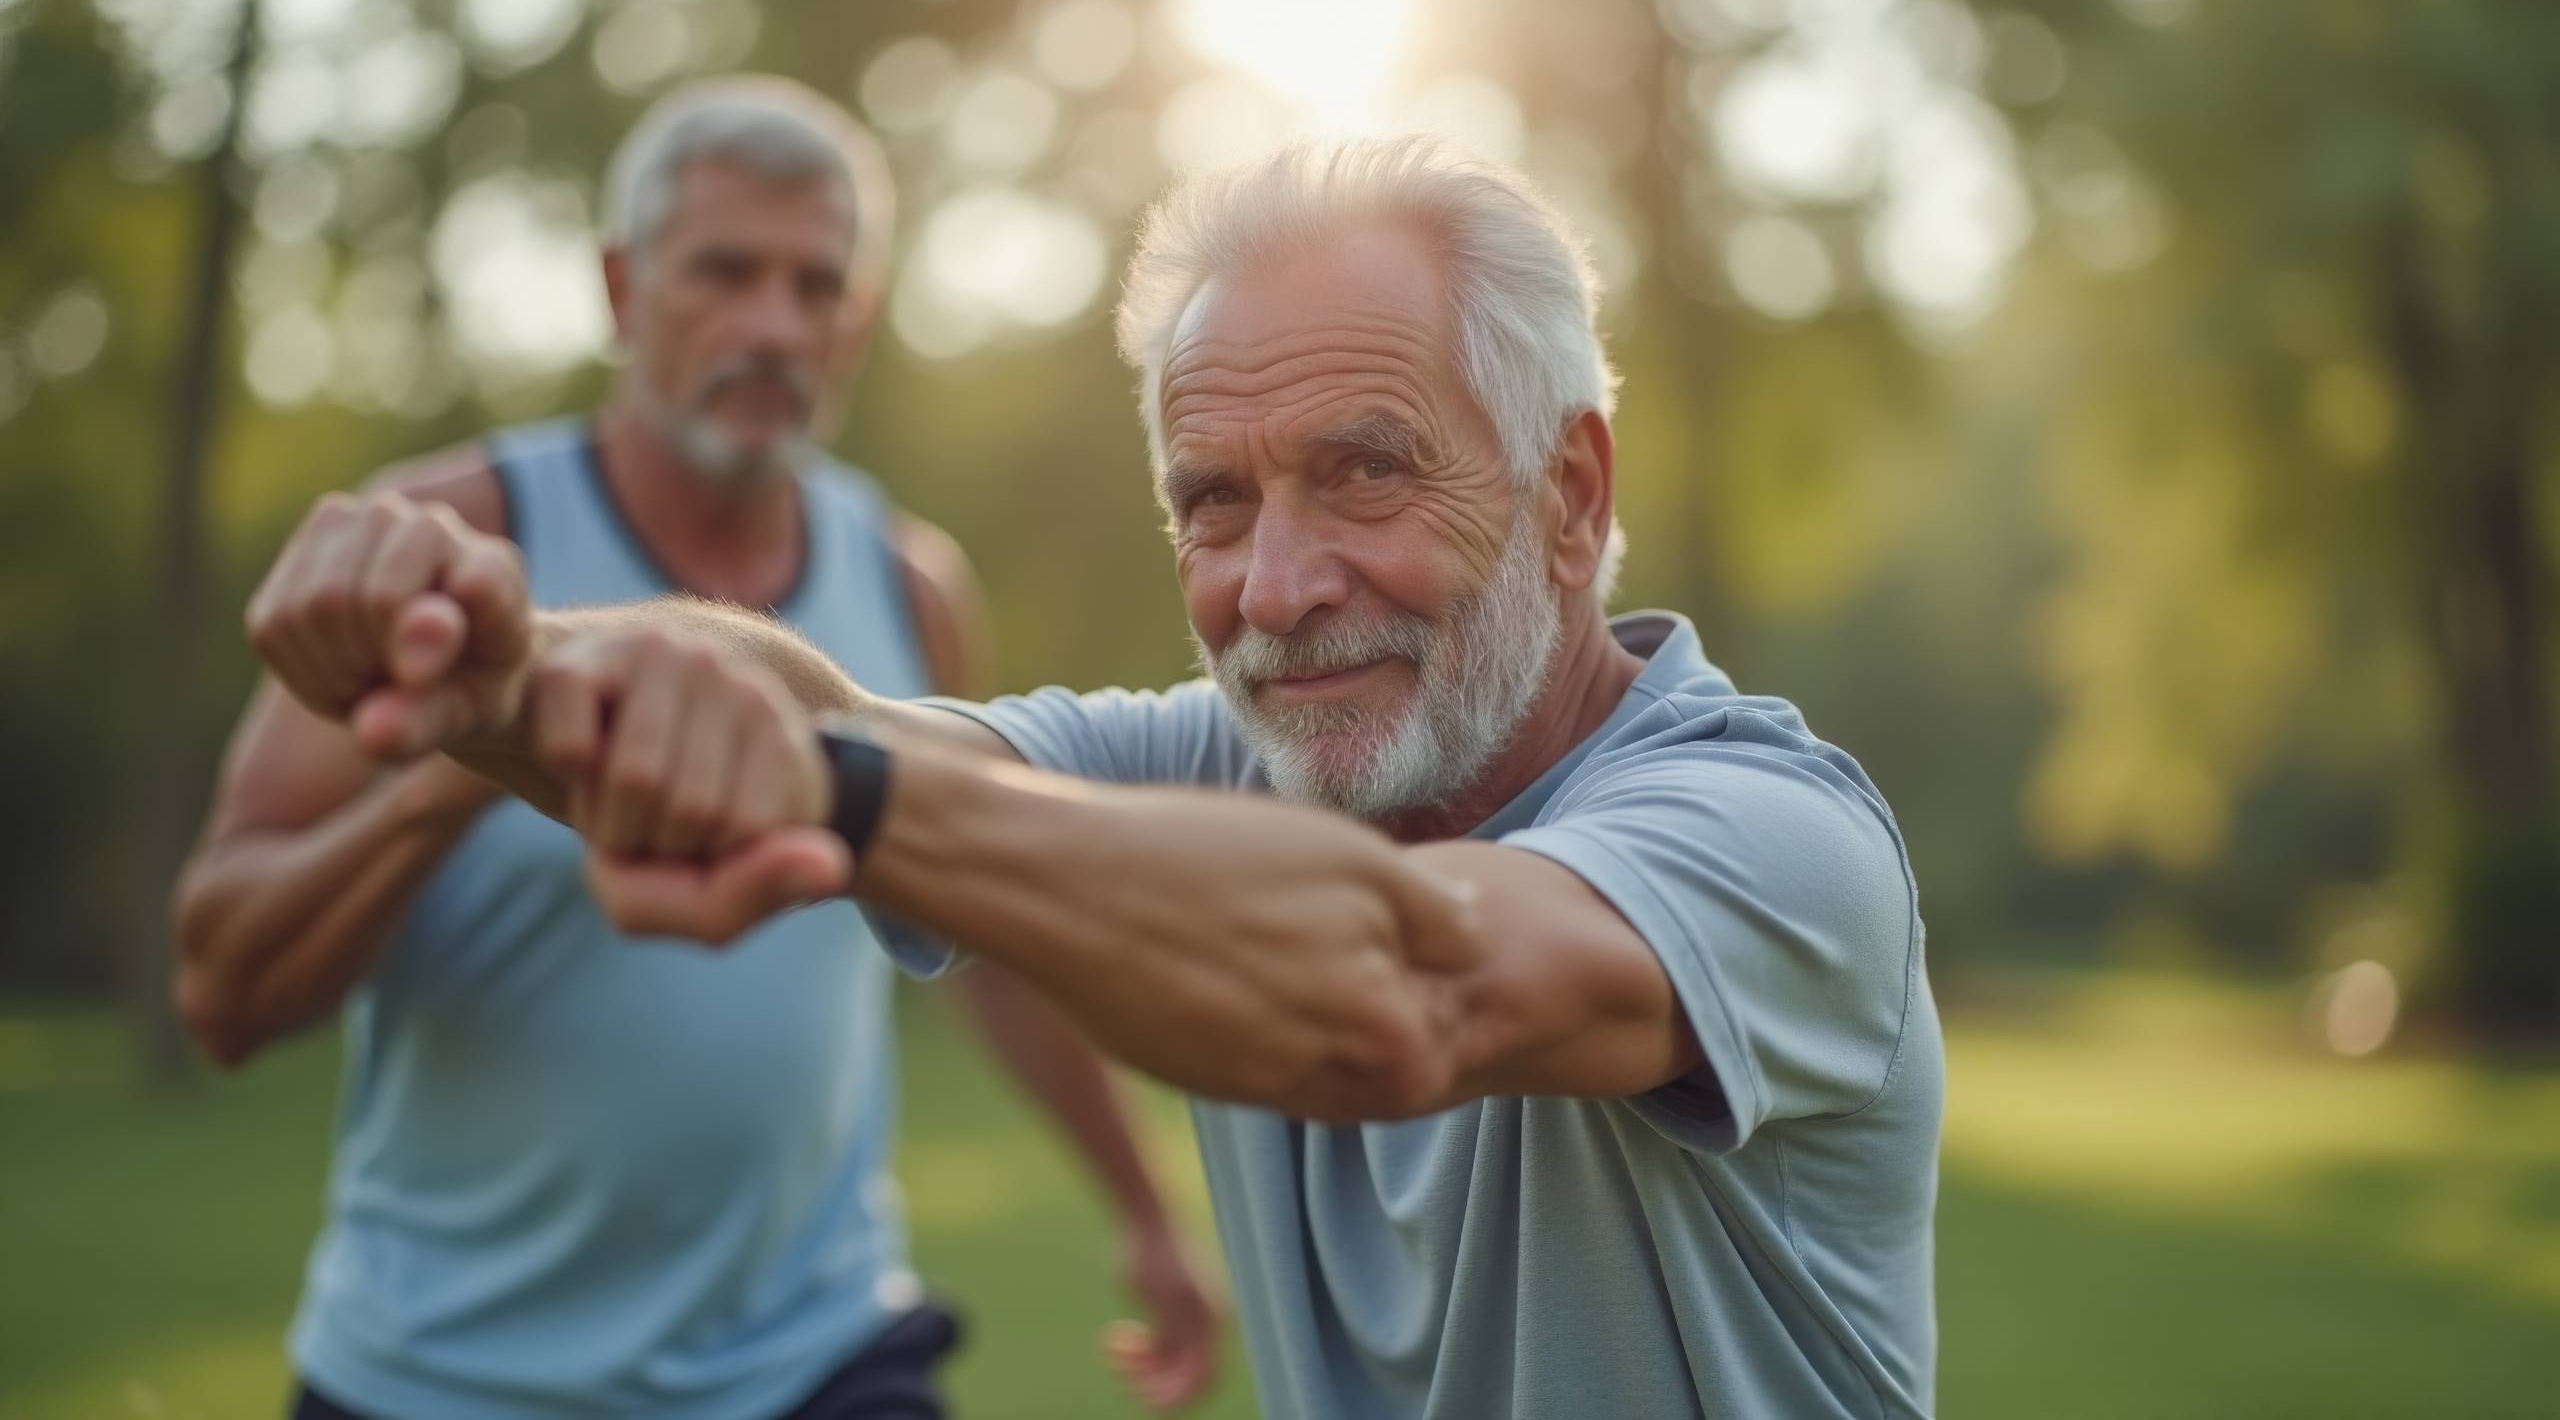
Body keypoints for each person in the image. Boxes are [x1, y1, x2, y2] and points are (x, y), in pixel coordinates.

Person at [237, 134, 1943, 1419]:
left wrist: (831, 797)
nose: (1274, 589)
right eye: (1215, 501)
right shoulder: (1237, 762)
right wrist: (507, 661)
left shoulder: (1771, 838)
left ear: (1570, 495)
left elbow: (1400, 990)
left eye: (1364, 472)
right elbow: (837, 707)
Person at [173, 76, 1220, 1420]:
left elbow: (992, 928)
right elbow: (220, 990)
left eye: (816, 285)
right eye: (726, 272)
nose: (774, 326)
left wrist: (1142, 1209)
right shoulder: (443, 546)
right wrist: (463, 764)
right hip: (439, 1379)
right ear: (621, 288)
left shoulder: (910, 590)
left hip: (814, 1358)